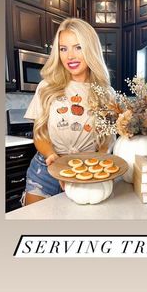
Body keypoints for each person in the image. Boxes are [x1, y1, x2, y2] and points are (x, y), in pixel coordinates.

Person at [22, 17, 115, 205]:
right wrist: (52, 156)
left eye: (78, 47)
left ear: (91, 49)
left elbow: (107, 140)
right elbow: (39, 134)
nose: (69, 56)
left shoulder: (107, 94)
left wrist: (99, 164)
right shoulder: (46, 86)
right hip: (45, 170)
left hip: (86, 172)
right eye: (63, 49)